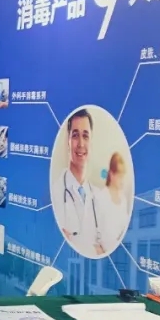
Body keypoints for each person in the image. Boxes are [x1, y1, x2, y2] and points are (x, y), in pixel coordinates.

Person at [57, 108, 105, 257]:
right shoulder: (55, 191)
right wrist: (93, 248)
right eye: (75, 135)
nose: (81, 144)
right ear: (68, 142)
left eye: (85, 136)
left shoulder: (99, 197)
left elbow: (105, 248)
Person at [97, 152, 131, 248]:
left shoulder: (123, 199)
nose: (122, 180)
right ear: (112, 174)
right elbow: (94, 233)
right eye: (120, 176)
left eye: (123, 176)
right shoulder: (101, 197)